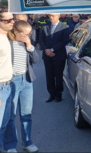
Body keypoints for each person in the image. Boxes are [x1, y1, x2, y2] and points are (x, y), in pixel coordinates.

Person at [3, 21, 39, 152]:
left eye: (29, 34)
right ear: (15, 32)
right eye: (25, 34)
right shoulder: (7, 43)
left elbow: (35, 60)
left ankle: (27, 142)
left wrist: (29, 45)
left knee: (26, 113)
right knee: (11, 116)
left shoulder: (27, 43)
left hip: (27, 80)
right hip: (12, 81)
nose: (28, 36)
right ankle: (10, 145)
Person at [39, 13, 69, 103]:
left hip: (59, 55)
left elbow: (65, 40)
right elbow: (41, 40)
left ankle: (58, 95)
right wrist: (46, 50)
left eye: (53, 16)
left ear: (58, 16)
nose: (51, 17)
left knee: (58, 76)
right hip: (47, 55)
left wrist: (53, 49)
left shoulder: (65, 27)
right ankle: (51, 94)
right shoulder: (45, 26)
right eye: (50, 16)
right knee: (49, 76)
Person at [0, 7, 14, 127]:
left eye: (12, 19)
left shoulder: (7, 37)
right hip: (0, 87)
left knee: (4, 123)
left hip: (8, 85)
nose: (12, 22)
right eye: (8, 20)